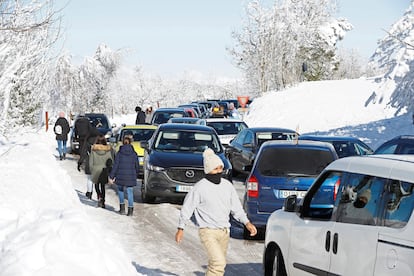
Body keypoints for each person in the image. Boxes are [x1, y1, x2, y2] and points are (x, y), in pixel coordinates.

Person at [175, 148, 257, 276]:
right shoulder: (199, 188)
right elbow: (187, 208)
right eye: (215, 169)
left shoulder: (227, 186)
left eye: (220, 168)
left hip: (224, 231)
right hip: (208, 232)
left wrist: (247, 223)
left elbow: (236, 208)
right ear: (208, 170)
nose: (219, 172)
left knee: (217, 266)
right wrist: (181, 228)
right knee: (219, 263)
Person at [109, 136, 139, 216]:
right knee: (130, 192)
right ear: (131, 142)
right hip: (130, 176)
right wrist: (136, 173)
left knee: (120, 191)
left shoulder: (119, 153)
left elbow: (116, 165)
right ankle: (130, 210)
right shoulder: (134, 154)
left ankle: (122, 208)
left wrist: (112, 176)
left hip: (120, 176)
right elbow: (137, 165)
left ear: (123, 142)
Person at [89, 135, 115, 208]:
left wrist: (92, 170)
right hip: (104, 170)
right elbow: (110, 161)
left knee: (96, 185)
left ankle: (99, 196)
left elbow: (91, 162)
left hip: (95, 170)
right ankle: (103, 200)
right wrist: (110, 170)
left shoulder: (93, 150)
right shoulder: (107, 150)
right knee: (103, 186)